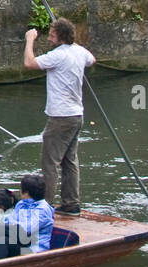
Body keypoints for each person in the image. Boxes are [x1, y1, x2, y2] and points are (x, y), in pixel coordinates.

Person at [24, 17, 95, 216]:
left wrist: (30, 39)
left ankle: (44, 206)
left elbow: (29, 63)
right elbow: (92, 60)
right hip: (76, 115)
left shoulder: (57, 55)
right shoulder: (80, 52)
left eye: (52, 35)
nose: (48, 38)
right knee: (70, 161)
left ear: (61, 37)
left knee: (50, 162)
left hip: (60, 117)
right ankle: (71, 204)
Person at [6, 173, 55, 253]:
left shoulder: (43, 209)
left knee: (2, 238)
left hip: (35, 248)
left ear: (26, 193)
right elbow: (9, 220)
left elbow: (25, 230)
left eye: (21, 189)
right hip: (18, 241)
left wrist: (9, 226)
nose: (20, 191)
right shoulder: (21, 204)